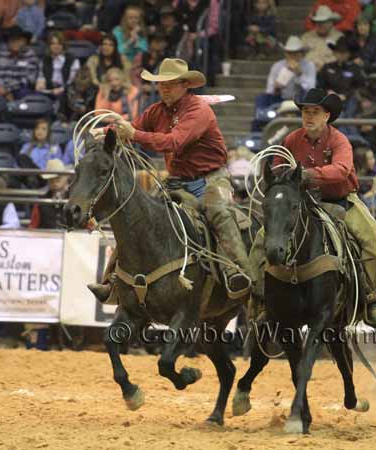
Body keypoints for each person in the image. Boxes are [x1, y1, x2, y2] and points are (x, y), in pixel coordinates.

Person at [89, 58, 255, 302]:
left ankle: (238, 272)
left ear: (185, 85)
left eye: (171, 83)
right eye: (161, 84)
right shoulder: (156, 111)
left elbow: (174, 141)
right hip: (176, 180)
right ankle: (113, 280)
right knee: (139, 218)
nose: (165, 88)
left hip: (210, 179)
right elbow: (131, 127)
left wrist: (134, 134)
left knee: (218, 211)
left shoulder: (198, 110)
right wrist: (104, 132)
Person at [274, 88, 376, 324]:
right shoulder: (292, 139)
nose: (308, 117)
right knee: (265, 235)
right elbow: (277, 163)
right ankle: (260, 296)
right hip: (303, 203)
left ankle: (375, 298)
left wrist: (307, 175)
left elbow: (341, 170)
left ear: (326, 115)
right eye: (305, 112)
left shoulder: (339, 140)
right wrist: (280, 175)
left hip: (341, 201)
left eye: (315, 112)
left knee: (373, 239)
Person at [0, 26, 39, 101]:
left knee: (25, 93)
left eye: (18, 40)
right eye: (12, 40)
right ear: (8, 42)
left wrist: (8, 90)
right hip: (0, 87)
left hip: (18, 88)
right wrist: (1, 87)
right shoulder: (1, 53)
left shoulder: (31, 55)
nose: (15, 43)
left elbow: (30, 79)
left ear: (24, 41)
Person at [35, 32, 81, 106]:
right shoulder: (44, 60)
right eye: (53, 43)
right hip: (49, 90)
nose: (56, 46)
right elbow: (41, 76)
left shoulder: (72, 60)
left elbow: (73, 81)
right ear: (49, 46)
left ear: (63, 45)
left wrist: (62, 89)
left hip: (66, 91)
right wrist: (40, 82)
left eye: (59, 44)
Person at [29, 158, 69, 229]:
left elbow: (89, 226)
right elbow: (33, 227)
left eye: (57, 178)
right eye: (51, 179)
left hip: (72, 238)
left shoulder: (76, 199)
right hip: (47, 237)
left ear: (66, 177)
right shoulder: (41, 202)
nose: (54, 182)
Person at [301, 5, 343, 70]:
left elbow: (342, 60)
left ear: (331, 22)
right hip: (308, 74)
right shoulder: (306, 37)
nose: (321, 25)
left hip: (330, 75)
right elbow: (298, 57)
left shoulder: (339, 38)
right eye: (318, 22)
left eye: (324, 22)